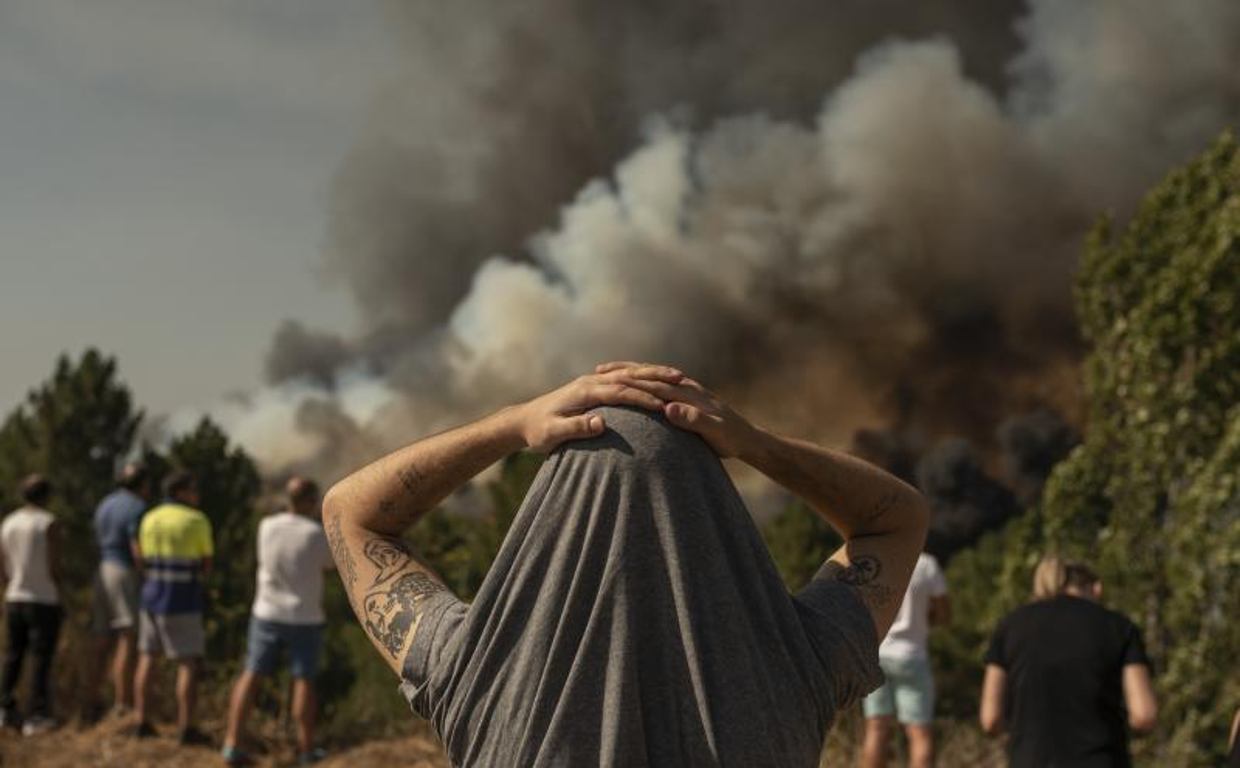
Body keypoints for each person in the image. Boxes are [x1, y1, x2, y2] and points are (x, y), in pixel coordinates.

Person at [322, 362, 929, 767]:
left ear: (548, 519)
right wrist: (753, 444)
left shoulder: (477, 671)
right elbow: (897, 520)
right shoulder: (795, 666)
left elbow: (350, 513)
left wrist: (512, 425)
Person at [979, 557, 1158, 768]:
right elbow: (1144, 714)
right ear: (1096, 588)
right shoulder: (1118, 626)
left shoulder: (1010, 626)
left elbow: (990, 719)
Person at [222, 477, 335, 766]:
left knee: (252, 674)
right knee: (303, 681)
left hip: (267, 613)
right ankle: (306, 749)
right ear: (310, 501)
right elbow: (328, 567)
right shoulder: (315, 534)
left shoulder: (266, 526)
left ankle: (232, 742)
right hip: (305, 616)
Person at [133, 470, 214, 745]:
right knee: (188, 663)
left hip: (151, 597)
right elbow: (206, 564)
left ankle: (141, 721)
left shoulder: (149, 517)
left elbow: (141, 558)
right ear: (181, 491)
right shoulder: (196, 520)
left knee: (147, 657)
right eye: (193, 489)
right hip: (183, 599)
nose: (197, 495)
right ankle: (186, 727)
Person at [862, 550, 950, 768]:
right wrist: (925, 621)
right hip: (912, 655)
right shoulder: (927, 565)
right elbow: (944, 613)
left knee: (876, 728)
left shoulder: (876, 560)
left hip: (878, 654)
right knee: (919, 733)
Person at [86, 462, 151, 722]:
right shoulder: (137, 507)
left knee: (101, 638)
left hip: (102, 570)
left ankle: (91, 699)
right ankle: (122, 703)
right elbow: (136, 546)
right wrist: (145, 574)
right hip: (123, 571)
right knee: (127, 636)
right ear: (143, 484)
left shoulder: (106, 503)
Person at [0, 474, 64, 735]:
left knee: (13, 654)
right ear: (46, 496)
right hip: (44, 597)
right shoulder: (48, 523)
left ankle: (5, 708)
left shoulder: (8, 522)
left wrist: (7, 588)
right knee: (41, 657)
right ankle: (36, 715)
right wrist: (62, 592)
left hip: (15, 595)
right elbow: (54, 564)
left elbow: (2, 565)